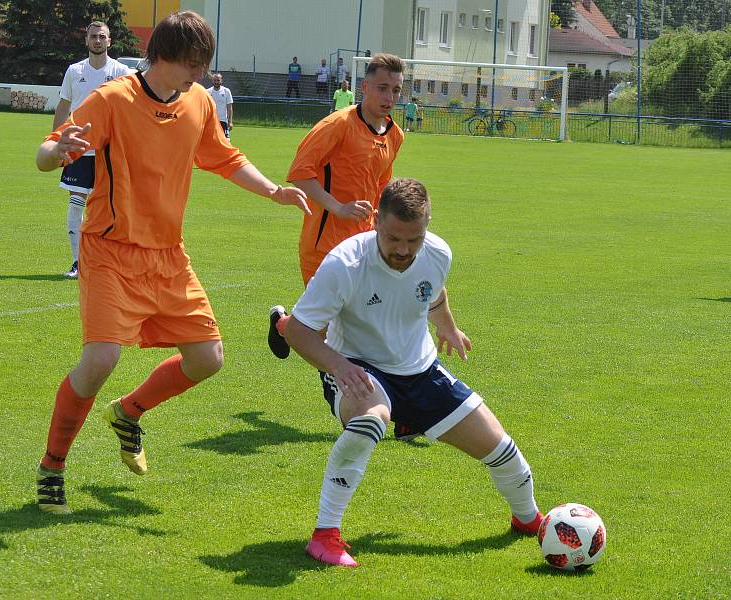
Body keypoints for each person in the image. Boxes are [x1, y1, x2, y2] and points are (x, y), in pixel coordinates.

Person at [33, 10, 309, 515]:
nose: (199, 74)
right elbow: (47, 151)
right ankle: (53, 467)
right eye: (192, 64)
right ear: (163, 56)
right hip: (110, 251)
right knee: (100, 360)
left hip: (167, 255)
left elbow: (224, 156)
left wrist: (272, 190)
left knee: (207, 359)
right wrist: (58, 151)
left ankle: (129, 412)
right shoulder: (114, 99)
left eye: (202, 64)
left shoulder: (198, 102)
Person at [284, 178, 544, 567]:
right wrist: (338, 366)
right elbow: (299, 331)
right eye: (394, 239)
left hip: (420, 369)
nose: (404, 250)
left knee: (503, 451)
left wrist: (447, 326)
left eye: (413, 240)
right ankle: (325, 535)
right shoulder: (345, 264)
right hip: (358, 365)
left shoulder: (438, 252)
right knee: (371, 421)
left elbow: (433, 292)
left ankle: (530, 521)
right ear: (375, 223)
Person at [267, 52, 404, 354]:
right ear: (364, 87)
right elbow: (299, 174)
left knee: (353, 326)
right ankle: (287, 327)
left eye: (395, 90)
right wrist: (338, 207)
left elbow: (380, 186)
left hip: (365, 244)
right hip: (323, 244)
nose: (389, 96)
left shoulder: (395, 135)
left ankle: (286, 325)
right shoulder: (337, 125)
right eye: (382, 88)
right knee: (329, 329)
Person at [53, 21, 132, 279]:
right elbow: (63, 107)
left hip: (110, 151)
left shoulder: (121, 70)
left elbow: (135, 106)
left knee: (113, 207)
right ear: (86, 40)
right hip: (79, 148)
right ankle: (78, 262)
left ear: (109, 41)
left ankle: (112, 262)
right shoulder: (74, 71)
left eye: (102, 37)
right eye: (93, 37)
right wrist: (56, 142)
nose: (97, 41)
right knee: (76, 203)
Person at [207, 72, 233, 139]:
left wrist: (230, 122)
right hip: (211, 121)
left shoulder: (226, 91)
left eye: (218, 80)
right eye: (215, 80)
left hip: (223, 121)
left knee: (226, 141)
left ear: (221, 81)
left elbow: (229, 107)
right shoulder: (208, 92)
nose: (216, 82)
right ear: (212, 81)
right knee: (211, 141)